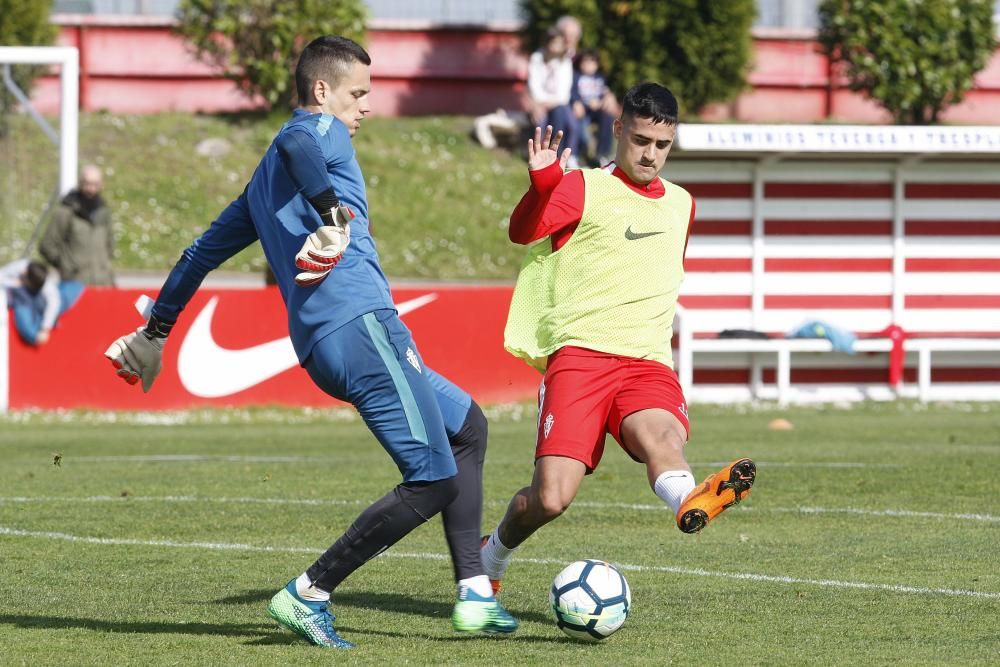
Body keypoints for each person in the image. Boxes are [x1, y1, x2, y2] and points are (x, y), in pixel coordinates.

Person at [102, 35, 517, 649]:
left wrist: (155, 329)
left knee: (468, 428)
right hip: (361, 328)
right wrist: (329, 213)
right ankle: (310, 591)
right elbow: (299, 139)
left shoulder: (260, 187)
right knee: (433, 477)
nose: (365, 107)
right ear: (321, 92)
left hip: (328, 343)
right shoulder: (318, 133)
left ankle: (475, 593)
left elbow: (198, 256)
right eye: (357, 94)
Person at [479, 83, 757, 594]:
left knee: (664, 438)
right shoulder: (582, 186)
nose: (651, 154)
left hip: (646, 361)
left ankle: (689, 501)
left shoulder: (682, 204)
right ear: (619, 129)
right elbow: (522, 233)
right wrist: (542, 187)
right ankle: (490, 554)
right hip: (581, 358)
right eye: (642, 140)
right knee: (551, 498)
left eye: (662, 145)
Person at [40, 164, 115, 286]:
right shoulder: (66, 211)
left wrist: (105, 267)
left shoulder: (103, 211)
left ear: (101, 184)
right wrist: (66, 266)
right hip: (74, 285)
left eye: (95, 184)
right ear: (80, 183)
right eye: (87, 184)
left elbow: (110, 244)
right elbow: (47, 246)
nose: (91, 189)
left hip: (103, 284)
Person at [0, 258, 82, 346]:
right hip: (20, 298)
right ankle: (33, 335)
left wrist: (45, 328)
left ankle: (44, 323)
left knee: (69, 292)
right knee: (23, 315)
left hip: (39, 299)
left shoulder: (45, 283)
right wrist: (15, 283)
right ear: (24, 273)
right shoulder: (18, 268)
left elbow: (53, 302)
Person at [524, 28, 576, 164]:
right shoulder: (537, 58)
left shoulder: (565, 61)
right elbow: (533, 83)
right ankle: (540, 155)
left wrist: (550, 103)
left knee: (568, 123)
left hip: (558, 103)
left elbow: (565, 90)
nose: (556, 46)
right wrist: (540, 102)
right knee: (540, 124)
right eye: (554, 42)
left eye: (560, 43)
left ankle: (563, 155)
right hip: (539, 102)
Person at [570, 48, 616, 166]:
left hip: (597, 110)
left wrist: (604, 101)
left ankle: (602, 154)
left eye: (592, 61)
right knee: (580, 128)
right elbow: (572, 92)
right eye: (585, 61)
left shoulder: (600, 78)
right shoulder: (576, 77)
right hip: (582, 109)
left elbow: (605, 92)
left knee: (608, 117)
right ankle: (575, 154)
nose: (588, 65)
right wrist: (577, 102)